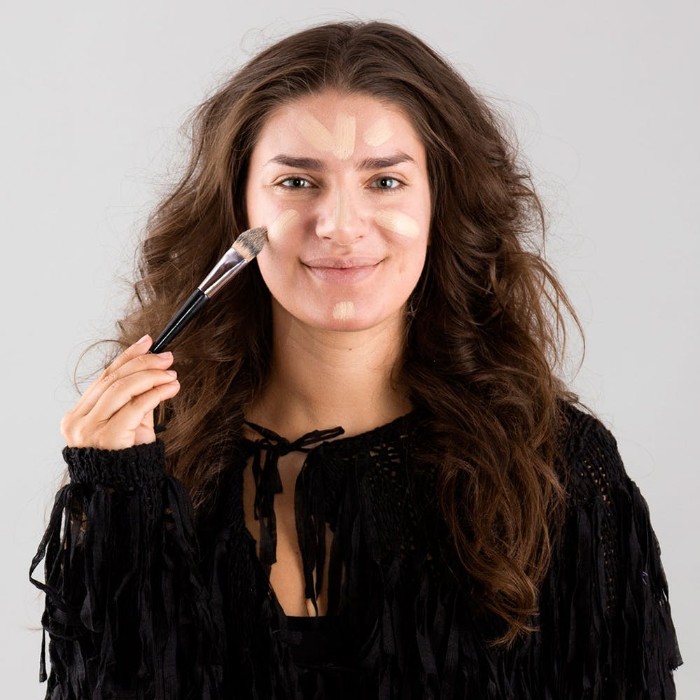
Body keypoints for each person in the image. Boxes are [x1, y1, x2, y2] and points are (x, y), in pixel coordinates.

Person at [30, 19, 682, 699]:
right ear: (238, 208)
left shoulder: (557, 471)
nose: (340, 225)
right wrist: (115, 499)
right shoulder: (146, 473)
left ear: (441, 205)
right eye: (296, 183)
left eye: (387, 183)